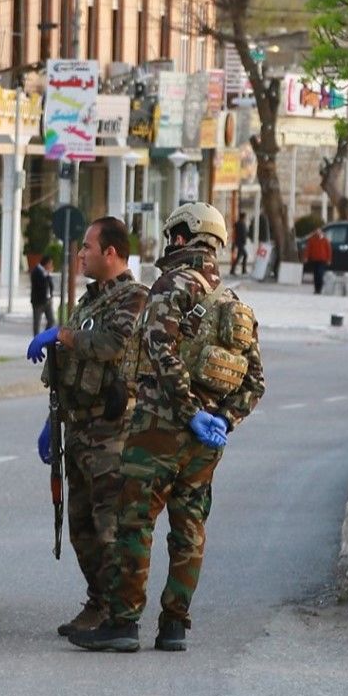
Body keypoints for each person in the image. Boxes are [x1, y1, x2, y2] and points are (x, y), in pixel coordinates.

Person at [71, 202, 265, 654]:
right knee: (190, 526)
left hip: (159, 427)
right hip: (204, 442)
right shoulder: (235, 304)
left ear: (182, 238)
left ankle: (123, 622)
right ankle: (174, 625)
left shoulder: (169, 287)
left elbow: (160, 349)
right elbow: (256, 382)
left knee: (133, 521)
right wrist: (221, 420)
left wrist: (186, 409)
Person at [25, 217, 151, 638]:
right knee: (78, 524)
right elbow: (66, 372)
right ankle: (98, 602)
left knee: (109, 525)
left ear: (110, 253)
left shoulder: (133, 298)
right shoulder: (89, 302)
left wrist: (61, 335)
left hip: (110, 432)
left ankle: (120, 616)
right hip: (77, 428)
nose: (80, 254)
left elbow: (112, 345)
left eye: (87, 247)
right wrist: (51, 424)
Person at [29, 253, 56, 333]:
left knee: (51, 320)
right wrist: (47, 275)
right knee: (37, 322)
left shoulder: (46, 273)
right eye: (50, 264)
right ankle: (37, 340)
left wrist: (51, 296)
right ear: (46, 263)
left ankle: (45, 337)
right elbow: (41, 285)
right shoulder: (36, 271)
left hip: (47, 301)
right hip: (38, 301)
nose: (51, 266)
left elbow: (50, 285)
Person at [303, 226, 333, 294]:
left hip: (322, 260)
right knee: (315, 275)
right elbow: (308, 249)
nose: (317, 233)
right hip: (314, 259)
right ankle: (316, 289)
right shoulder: (312, 240)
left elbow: (329, 250)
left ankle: (320, 288)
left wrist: (329, 259)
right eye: (316, 232)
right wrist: (306, 257)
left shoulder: (325, 240)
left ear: (321, 232)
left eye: (319, 231)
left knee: (320, 274)